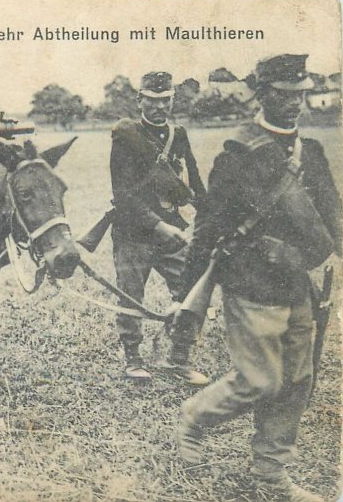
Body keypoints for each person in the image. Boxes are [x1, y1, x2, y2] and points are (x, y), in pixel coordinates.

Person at [175, 54, 341, 502]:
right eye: (284, 95)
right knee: (259, 381)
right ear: (262, 94)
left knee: (296, 381)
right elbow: (208, 226)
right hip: (250, 283)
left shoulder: (314, 153)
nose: (295, 103)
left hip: (298, 285)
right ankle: (195, 416)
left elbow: (333, 214)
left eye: (300, 94)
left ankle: (271, 474)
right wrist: (186, 291)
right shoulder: (238, 152)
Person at [109, 72, 208, 384]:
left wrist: (207, 220)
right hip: (133, 232)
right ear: (140, 100)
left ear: (172, 101)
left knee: (194, 289)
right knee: (131, 296)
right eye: (152, 100)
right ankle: (133, 359)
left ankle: (178, 359)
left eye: (165, 100)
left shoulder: (178, 135)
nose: (159, 107)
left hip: (173, 229)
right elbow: (123, 195)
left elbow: (194, 182)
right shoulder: (125, 137)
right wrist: (158, 226)